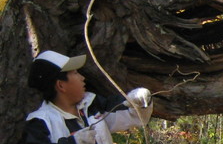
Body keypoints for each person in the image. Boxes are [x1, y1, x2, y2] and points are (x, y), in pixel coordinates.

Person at [23, 50, 153, 144]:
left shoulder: (93, 106)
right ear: (61, 85)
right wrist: (73, 142)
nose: (82, 78)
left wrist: (138, 101)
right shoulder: (40, 123)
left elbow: (136, 117)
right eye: (75, 73)